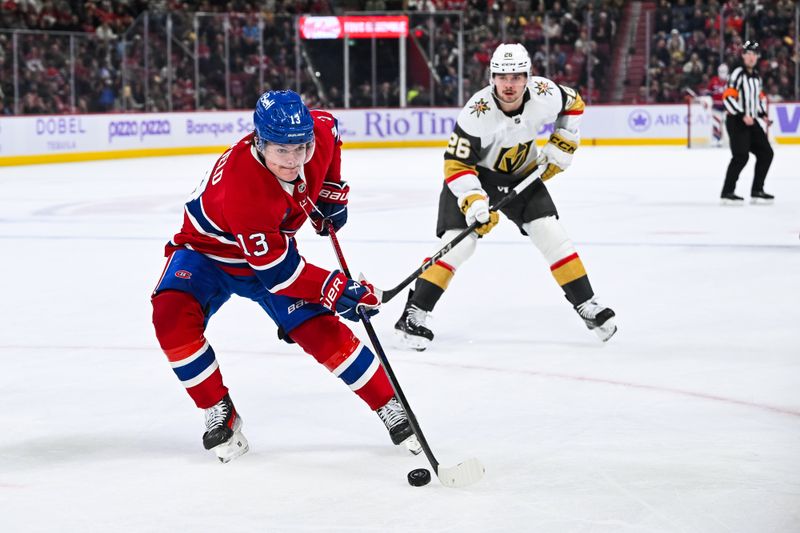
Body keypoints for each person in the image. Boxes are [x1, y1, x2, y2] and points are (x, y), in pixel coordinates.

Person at [151, 90, 421, 462]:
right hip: (207, 253)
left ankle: (389, 403)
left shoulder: (317, 135)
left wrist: (331, 190)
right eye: (281, 150)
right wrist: (339, 289)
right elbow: (278, 275)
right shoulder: (243, 186)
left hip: (269, 249)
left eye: (301, 148)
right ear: (260, 143)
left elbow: (330, 126)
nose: (294, 160)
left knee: (316, 327)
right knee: (170, 317)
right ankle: (218, 409)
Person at [394, 43, 617, 351]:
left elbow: (574, 104)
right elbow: (456, 164)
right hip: (476, 178)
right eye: (502, 77)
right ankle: (414, 312)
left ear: (528, 77)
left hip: (523, 176)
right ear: (492, 78)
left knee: (551, 234)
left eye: (516, 76)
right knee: (461, 244)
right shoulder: (476, 112)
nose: (509, 84)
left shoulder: (545, 93)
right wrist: (474, 200)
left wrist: (563, 141)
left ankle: (588, 306)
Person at [721, 41, 774, 205]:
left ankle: (757, 189)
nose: (751, 57)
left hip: (752, 121)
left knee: (766, 153)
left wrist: (763, 115)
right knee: (741, 156)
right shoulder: (737, 73)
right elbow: (728, 97)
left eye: (754, 54)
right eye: (748, 54)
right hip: (737, 121)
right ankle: (727, 192)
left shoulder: (756, 76)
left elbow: (755, 99)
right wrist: (742, 114)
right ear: (743, 56)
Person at [707, 63, 729, 147]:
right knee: (716, 123)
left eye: (724, 71)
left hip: (727, 107)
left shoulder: (730, 81)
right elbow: (708, 92)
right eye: (721, 71)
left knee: (728, 124)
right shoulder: (714, 80)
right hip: (716, 106)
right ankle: (716, 139)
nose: (722, 73)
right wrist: (708, 100)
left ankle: (728, 139)